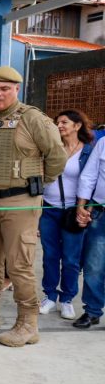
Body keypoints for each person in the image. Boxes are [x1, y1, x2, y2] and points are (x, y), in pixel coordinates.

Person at [0, 66, 65, 347]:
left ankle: (28, 323)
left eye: (4, 89)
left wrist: (40, 183)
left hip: (21, 201)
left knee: (19, 265)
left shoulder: (32, 119)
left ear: (16, 89)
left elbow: (57, 156)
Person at [38, 110, 93, 321]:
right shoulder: (51, 148)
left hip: (73, 211)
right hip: (49, 209)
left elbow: (92, 181)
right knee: (50, 255)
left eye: (64, 122)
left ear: (77, 126)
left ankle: (67, 299)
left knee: (71, 258)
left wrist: (86, 209)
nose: (59, 125)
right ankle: (50, 295)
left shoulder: (88, 151)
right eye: (57, 122)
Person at [75, 134, 105, 329]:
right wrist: (82, 205)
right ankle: (92, 311)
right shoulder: (103, 143)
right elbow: (89, 175)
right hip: (101, 211)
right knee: (94, 264)